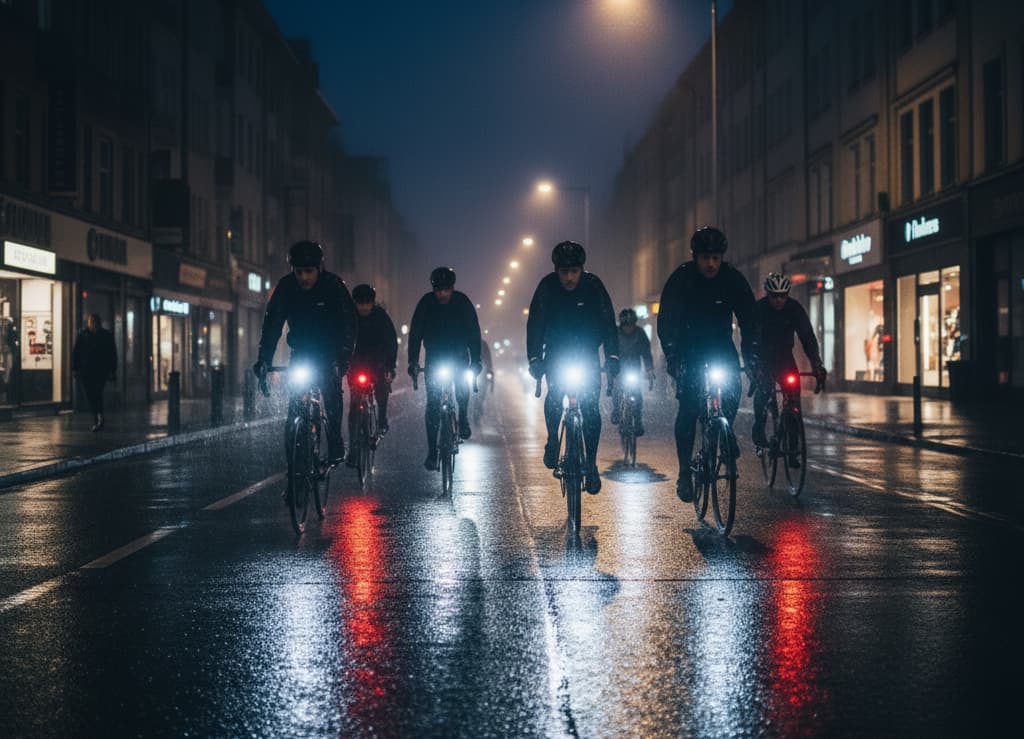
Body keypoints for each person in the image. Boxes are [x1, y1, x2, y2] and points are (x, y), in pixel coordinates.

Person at [657, 226, 756, 502]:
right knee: (689, 409)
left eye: (715, 257)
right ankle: (684, 473)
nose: (711, 264)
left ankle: (725, 430)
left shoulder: (733, 279)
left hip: (721, 347)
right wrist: (672, 355)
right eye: (705, 258)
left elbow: (750, 320)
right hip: (688, 350)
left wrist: (753, 357)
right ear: (696, 257)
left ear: (721, 257)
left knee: (733, 387)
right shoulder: (681, 279)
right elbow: (667, 320)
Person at [253, 240, 357, 493]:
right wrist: (264, 359)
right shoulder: (286, 287)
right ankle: (294, 474)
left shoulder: (333, 286)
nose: (303, 277)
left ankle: (334, 443)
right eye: (298, 272)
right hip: (301, 353)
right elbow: (272, 325)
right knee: (293, 417)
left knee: (332, 394)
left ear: (319, 269)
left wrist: (342, 360)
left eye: (308, 272)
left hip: (330, 353)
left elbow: (349, 324)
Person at [526, 241, 619, 494]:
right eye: (564, 272)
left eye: (574, 272)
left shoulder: (593, 286)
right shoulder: (546, 287)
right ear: (556, 270)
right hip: (556, 354)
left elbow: (608, 322)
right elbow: (535, 323)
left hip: (587, 354)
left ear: (581, 270)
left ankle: (591, 463)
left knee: (590, 409)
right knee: (555, 395)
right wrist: (534, 359)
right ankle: (553, 440)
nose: (569, 278)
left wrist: (612, 356)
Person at [408, 266, 482, 471]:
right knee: (432, 403)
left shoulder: (463, 303)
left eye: (446, 289)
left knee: (461, 388)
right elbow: (415, 334)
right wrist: (413, 362)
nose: (442, 294)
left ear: (452, 288)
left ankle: (463, 416)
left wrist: (476, 360)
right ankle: (432, 452)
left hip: (459, 356)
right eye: (438, 290)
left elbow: (474, 333)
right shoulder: (425, 304)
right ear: (433, 289)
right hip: (435, 358)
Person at [750, 273, 827, 461]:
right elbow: (750, 339)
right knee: (764, 391)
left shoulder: (794, 309)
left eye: (783, 296)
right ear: (767, 294)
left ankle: (792, 449)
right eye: (774, 296)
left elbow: (807, 337)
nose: (779, 300)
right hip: (764, 359)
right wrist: (754, 365)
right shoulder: (759, 309)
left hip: (785, 358)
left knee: (793, 401)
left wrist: (816, 363)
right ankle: (759, 429)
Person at [346, 284, 398, 467]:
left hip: (377, 362)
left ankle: (382, 419)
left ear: (372, 303)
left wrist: (390, 367)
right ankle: (353, 448)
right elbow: (342, 339)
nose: (364, 308)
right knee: (354, 406)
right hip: (355, 363)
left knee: (382, 390)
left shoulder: (381, 317)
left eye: (367, 303)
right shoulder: (349, 316)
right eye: (360, 303)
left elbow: (391, 343)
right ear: (355, 303)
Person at [610, 308, 655, 436]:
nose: (628, 328)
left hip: (634, 368)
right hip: (618, 368)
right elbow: (609, 351)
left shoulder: (640, 334)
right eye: (626, 326)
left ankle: (638, 421)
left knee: (637, 394)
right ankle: (616, 410)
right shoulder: (615, 334)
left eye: (631, 325)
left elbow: (646, 353)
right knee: (616, 390)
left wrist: (649, 369)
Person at [72, 314, 118, 431]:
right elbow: (76, 353)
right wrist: (75, 369)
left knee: (97, 392)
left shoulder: (106, 336)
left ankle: (98, 417)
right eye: (90, 321)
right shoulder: (82, 335)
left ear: (98, 323)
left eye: (94, 321)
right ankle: (98, 416)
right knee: (90, 394)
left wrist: (112, 371)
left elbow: (112, 355)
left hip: (100, 370)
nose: (92, 323)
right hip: (86, 371)